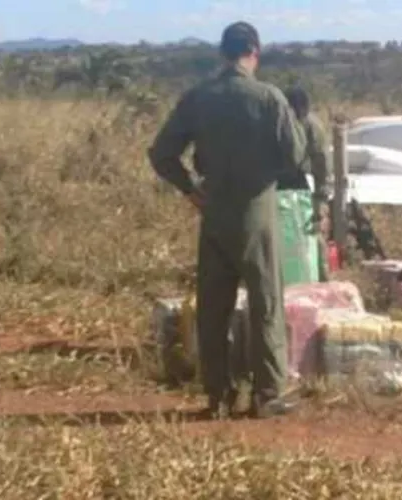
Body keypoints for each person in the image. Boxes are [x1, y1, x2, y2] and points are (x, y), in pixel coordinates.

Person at [147, 21, 307, 419]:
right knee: (265, 301)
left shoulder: (199, 98)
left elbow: (162, 153)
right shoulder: (270, 98)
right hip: (257, 211)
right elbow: (295, 156)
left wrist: (190, 188)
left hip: (213, 209)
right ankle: (267, 394)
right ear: (254, 51)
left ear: (222, 53)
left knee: (214, 307)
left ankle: (218, 395)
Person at [283, 85, 333, 281]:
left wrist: (321, 199)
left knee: (312, 233)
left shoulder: (312, 126)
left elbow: (322, 163)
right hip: (275, 185)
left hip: (299, 183)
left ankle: (322, 280)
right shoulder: (274, 123)